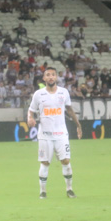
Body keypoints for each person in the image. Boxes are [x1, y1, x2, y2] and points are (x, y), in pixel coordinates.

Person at [27, 67, 82, 199]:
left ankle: (69, 189)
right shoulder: (38, 94)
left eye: (53, 75)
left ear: (56, 77)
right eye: (48, 75)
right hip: (45, 135)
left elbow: (69, 110)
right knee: (45, 163)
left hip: (61, 134)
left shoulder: (63, 92)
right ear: (44, 78)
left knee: (66, 160)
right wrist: (30, 118)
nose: (51, 77)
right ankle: (43, 192)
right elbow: (31, 110)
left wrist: (78, 125)